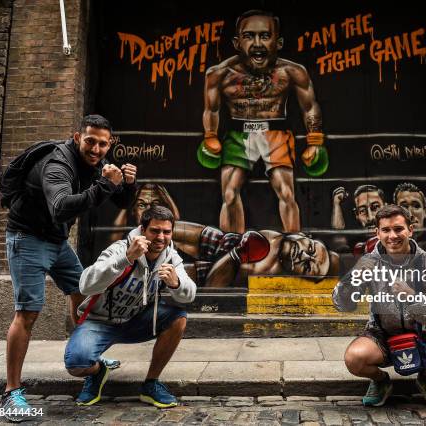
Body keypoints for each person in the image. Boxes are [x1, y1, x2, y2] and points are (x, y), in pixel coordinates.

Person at [1, 114, 137, 421]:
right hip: (28, 239)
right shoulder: (57, 165)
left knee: (84, 292)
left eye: (103, 143)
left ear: (110, 143)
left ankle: (87, 357)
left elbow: (122, 202)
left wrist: (128, 183)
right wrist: (105, 184)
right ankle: (12, 392)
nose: (96, 149)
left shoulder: (96, 163)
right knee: (28, 312)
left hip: (58, 242)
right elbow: (60, 206)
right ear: (77, 138)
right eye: (90, 141)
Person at [333, 205, 426, 408]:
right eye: (385, 230)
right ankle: (381, 382)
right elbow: (342, 305)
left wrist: (412, 297)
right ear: (377, 233)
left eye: (398, 229)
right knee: (354, 359)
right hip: (382, 335)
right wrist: (352, 279)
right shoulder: (368, 262)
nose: (392, 236)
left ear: (411, 230)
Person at [198, 9, 327, 234]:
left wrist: (314, 140)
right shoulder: (219, 74)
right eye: (249, 36)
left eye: (265, 36)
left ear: (278, 41)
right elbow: (212, 109)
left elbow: (310, 107)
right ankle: (232, 250)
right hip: (239, 132)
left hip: (275, 132)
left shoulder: (293, 71)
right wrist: (210, 135)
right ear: (237, 42)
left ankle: (294, 245)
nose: (257, 43)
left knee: (287, 192)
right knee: (228, 193)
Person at [64, 206, 196, 408]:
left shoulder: (171, 256)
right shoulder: (119, 249)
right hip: (100, 323)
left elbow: (190, 295)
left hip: (137, 321)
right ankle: (98, 372)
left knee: (178, 317)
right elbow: (86, 284)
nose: (161, 237)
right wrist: (126, 258)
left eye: (166, 232)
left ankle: (151, 384)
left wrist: (176, 283)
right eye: (155, 230)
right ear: (143, 230)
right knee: (76, 364)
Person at [171, 221, 339, 286]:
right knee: (162, 229)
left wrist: (236, 255)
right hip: (222, 242)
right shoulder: (278, 239)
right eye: (310, 249)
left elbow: (213, 292)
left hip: (218, 270)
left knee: (165, 273)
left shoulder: (268, 271)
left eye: (308, 266)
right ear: (304, 235)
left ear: (300, 276)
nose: (303, 256)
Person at [110, 183, 181, 242]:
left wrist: (164, 192)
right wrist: (129, 200)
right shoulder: (130, 237)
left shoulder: (164, 235)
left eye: (155, 204)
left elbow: (176, 220)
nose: (148, 210)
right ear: (133, 210)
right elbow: (114, 236)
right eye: (141, 205)